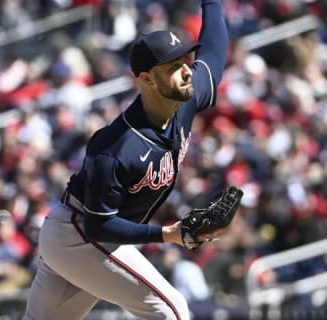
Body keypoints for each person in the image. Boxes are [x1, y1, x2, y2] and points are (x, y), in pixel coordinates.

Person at [23, 0, 229, 319]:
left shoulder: (183, 100)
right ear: (146, 80)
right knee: (171, 311)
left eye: (185, 60)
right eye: (173, 67)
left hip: (83, 238)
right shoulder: (115, 146)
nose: (187, 71)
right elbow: (98, 224)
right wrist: (167, 234)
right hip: (79, 233)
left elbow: (214, 53)